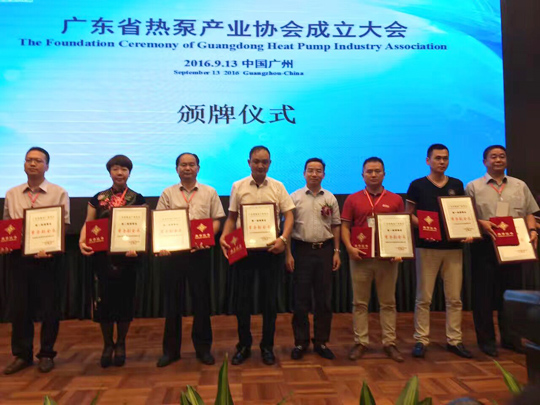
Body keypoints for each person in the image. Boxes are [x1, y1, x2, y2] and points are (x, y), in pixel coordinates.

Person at [219, 146, 295, 366]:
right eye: (256, 161)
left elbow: (289, 216)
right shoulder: (238, 186)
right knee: (242, 301)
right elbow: (232, 217)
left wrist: (283, 239)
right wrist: (224, 236)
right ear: (249, 162)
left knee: (269, 302)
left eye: (265, 162)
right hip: (244, 251)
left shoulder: (278, 186)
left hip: (271, 251)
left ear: (270, 163)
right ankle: (243, 345)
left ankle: (267, 347)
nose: (260, 165)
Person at [2, 147, 70, 375]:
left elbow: (63, 225)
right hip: (19, 259)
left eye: (38, 161)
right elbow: (8, 225)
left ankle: (47, 353)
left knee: (50, 308)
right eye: (29, 160)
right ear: (23, 164)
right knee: (20, 308)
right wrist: (6, 243)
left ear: (47, 166)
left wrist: (49, 247)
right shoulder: (12, 193)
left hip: (48, 259)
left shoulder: (58, 192)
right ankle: (22, 354)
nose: (33, 164)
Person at [466, 145, 538, 357]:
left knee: (511, 294)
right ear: (485, 162)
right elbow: (466, 216)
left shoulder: (519, 185)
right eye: (493, 157)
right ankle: (486, 341)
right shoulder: (473, 186)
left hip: (514, 246)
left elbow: (530, 212)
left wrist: (533, 230)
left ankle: (511, 338)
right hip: (485, 245)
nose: (498, 160)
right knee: (483, 296)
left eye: (502, 156)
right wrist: (481, 223)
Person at [155, 153, 225, 367]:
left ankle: (203, 349)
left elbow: (216, 220)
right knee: (172, 304)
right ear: (177, 169)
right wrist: (162, 244)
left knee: (201, 302)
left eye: (191, 164)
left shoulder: (209, 192)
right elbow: (160, 222)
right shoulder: (167, 193)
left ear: (198, 168)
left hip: (200, 254)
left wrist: (207, 238)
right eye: (183, 165)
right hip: (173, 256)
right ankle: (171, 351)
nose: (187, 168)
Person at [406, 144, 473, 359]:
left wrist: (467, 231)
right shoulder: (417, 185)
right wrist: (426, 228)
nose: (442, 162)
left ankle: (454, 340)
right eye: (437, 158)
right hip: (427, 247)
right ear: (428, 161)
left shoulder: (457, 184)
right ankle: (421, 339)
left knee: (454, 298)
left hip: (453, 248)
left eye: (445, 158)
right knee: (423, 298)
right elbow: (409, 214)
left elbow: (462, 213)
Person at [79, 155, 145, 368]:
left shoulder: (137, 198)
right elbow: (89, 222)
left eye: (124, 169)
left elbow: (143, 227)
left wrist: (138, 247)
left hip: (128, 258)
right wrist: (82, 240)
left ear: (129, 173)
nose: (119, 173)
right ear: (109, 172)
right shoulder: (98, 198)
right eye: (116, 169)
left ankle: (122, 343)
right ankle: (108, 344)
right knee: (104, 303)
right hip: (102, 258)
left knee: (125, 301)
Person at [341, 157, 405, 363]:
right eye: (369, 171)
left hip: (387, 259)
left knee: (388, 303)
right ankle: (361, 342)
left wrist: (400, 250)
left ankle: (389, 343)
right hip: (360, 258)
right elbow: (345, 227)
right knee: (360, 303)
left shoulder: (396, 199)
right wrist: (349, 248)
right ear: (363, 175)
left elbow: (402, 228)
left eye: (378, 171)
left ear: (384, 174)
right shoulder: (352, 199)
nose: (374, 174)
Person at [286, 158, 341, 360]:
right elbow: (288, 228)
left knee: (323, 300)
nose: (314, 174)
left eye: (318, 171)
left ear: (324, 175)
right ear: (304, 173)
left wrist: (336, 251)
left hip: (325, 250)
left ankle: (321, 342)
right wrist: (288, 253)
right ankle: (301, 342)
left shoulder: (330, 198)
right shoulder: (294, 197)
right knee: (300, 299)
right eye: (310, 170)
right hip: (301, 250)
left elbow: (336, 225)